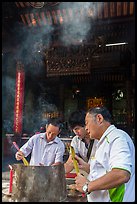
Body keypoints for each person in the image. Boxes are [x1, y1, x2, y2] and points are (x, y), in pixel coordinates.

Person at [74, 106, 135, 202]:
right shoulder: (103, 141)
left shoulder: (117, 138)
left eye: (87, 123)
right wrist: (88, 168)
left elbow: (121, 174)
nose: (86, 128)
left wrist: (87, 186)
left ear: (99, 118)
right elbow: (106, 170)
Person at [64, 110, 94, 174]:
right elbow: (70, 162)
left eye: (77, 128)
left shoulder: (98, 138)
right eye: (73, 130)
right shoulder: (76, 140)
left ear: (86, 125)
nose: (75, 132)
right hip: (89, 176)